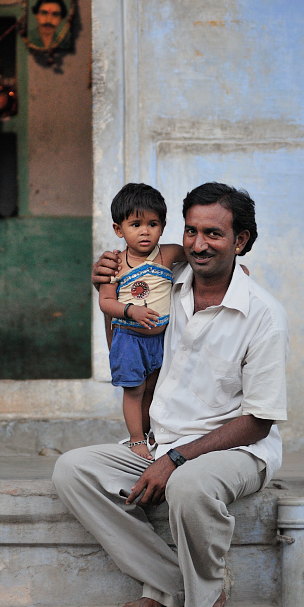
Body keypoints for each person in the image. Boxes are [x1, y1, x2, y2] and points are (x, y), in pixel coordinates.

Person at [52, 182, 289, 607]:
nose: (199, 244)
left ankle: (203, 599)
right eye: (192, 231)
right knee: (73, 471)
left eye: (214, 234)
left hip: (237, 448)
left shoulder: (263, 314)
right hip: (165, 443)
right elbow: (125, 344)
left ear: (240, 241)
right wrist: (108, 286)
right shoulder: (166, 284)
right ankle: (169, 583)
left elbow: (259, 420)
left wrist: (176, 459)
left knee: (188, 485)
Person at [99, 183, 185, 461]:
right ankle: (136, 439)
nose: (145, 231)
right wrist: (129, 311)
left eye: (153, 223)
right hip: (129, 338)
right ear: (118, 229)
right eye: (136, 224)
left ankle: (150, 435)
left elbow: (200, 256)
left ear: (163, 226)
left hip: (161, 339)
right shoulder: (115, 263)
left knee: (154, 387)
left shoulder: (169, 254)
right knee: (134, 389)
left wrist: (233, 267)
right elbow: (105, 301)